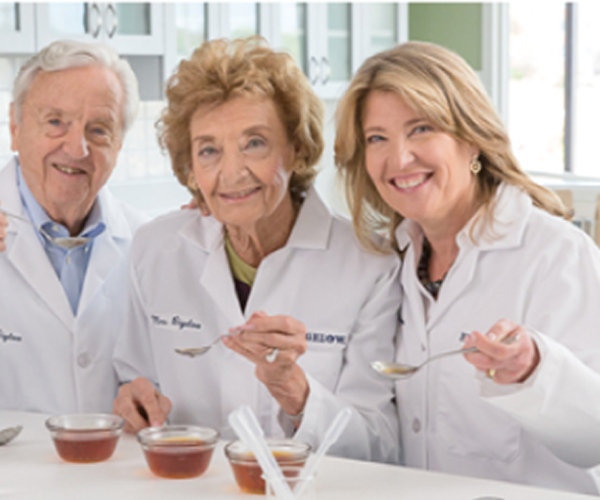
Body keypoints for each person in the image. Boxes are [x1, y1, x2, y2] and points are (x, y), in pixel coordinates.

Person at [112, 37, 400, 463]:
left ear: (297, 148)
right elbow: (131, 380)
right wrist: (131, 403)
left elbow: (379, 445)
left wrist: (297, 393)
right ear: (190, 167)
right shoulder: (157, 249)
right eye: (209, 150)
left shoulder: (369, 265)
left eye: (255, 143)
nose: (232, 172)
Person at [335, 41, 600, 494]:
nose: (398, 159)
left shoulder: (556, 256)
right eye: (377, 138)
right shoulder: (393, 261)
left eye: (421, 129)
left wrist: (535, 371)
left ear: (471, 136)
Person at [0, 40, 148, 414]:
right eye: (55, 122)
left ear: (119, 144)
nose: (77, 148)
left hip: (113, 469)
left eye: (99, 130)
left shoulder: (148, 245)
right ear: (15, 125)